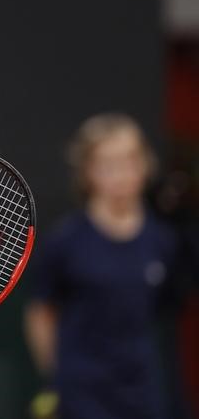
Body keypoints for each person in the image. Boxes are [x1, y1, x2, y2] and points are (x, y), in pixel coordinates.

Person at [24, 113, 179, 419]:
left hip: (143, 390)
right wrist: (60, 377)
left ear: (145, 165)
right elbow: (40, 314)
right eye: (108, 165)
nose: (121, 174)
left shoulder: (163, 241)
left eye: (130, 161)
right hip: (81, 393)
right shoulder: (64, 242)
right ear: (87, 172)